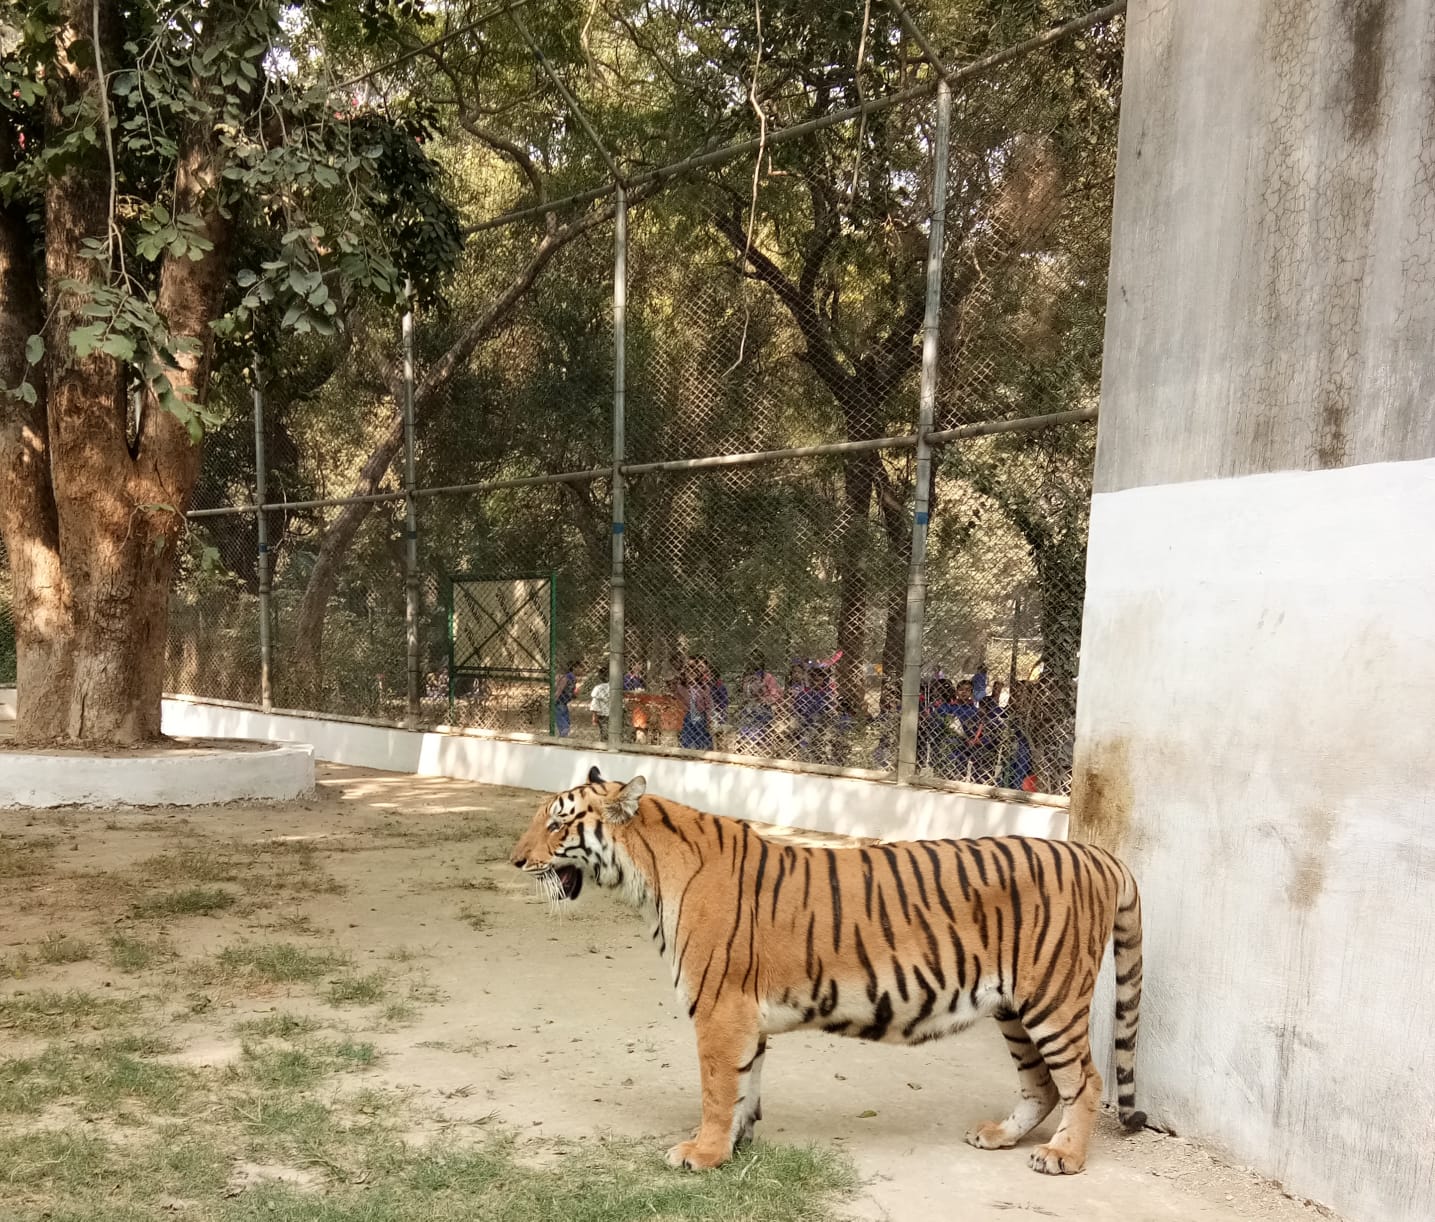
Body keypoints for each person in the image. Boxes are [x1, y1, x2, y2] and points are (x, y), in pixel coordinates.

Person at [737, 654, 782, 750]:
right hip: (748, 709)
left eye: (757, 659)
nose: (754, 661)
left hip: (762, 709)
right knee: (745, 733)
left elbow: (776, 694)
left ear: (762, 661)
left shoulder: (768, 677)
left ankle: (759, 749)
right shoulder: (746, 677)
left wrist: (764, 700)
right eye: (752, 659)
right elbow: (743, 694)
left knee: (759, 735)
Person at [678, 659, 714, 750]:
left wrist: (709, 715)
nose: (691, 676)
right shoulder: (682, 687)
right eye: (688, 673)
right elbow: (681, 700)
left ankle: (703, 746)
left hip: (700, 713)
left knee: (699, 724)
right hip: (687, 714)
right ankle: (689, 746)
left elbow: (708, 703)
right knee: (689, 724)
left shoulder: (704, 687)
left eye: (693, 674)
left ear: (698, 675)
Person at [554, 661, 578, 738]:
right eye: (581, 667)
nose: (583, 669)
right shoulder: (569, 676)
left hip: (562, 699)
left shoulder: (571, 677)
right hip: (562, 699)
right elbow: (560, 688)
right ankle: (565, 728)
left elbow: (562, 688)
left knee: (560, 713)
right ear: (574, 668)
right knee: (561, 713)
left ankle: (564, 728)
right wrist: (555, 698)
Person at [590, 673, 611, 740]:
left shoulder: (598, 688)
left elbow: (595, 703)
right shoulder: (617, 687)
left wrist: (594, 716)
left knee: (604, 732)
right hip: (615, 713)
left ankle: (605, 742)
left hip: (603, 714)